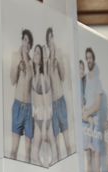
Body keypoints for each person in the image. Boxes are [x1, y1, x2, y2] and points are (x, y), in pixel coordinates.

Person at [45, 28, 71, 162]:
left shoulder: (59, 55)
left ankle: (71, 164)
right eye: (49, 39)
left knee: (67, 139)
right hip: (52, 104)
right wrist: (50, 65)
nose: (51, 41)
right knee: (57, 142)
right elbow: (47, 85)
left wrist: (58, 61)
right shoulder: (47, 61)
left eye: (52, 37)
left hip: (61, 101)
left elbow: (63, 76)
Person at [8, 29, 35, 160]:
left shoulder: (31, 62)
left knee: (28, 151)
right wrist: (18, 67)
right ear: (21, 40)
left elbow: (32, 82)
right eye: (25, 40)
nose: (26, 44)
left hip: (29, 108)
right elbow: (12, 80)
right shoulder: (15, 56)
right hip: (18, 105)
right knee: (14, 148)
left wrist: (25, 56)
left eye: (29, 42)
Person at [81, 48, 106, 172]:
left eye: (90, 57)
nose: (88, 60)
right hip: (85, 122)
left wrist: (86, 114)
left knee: (96, 153)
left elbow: (97, 105)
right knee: (88, 155)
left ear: (93, 59)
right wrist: (83, 115)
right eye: (87, 58)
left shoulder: (97, 80)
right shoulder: (85, 80)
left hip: (94, 123)